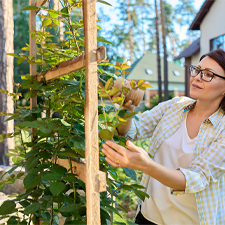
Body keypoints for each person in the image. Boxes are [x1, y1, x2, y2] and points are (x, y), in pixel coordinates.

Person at [101, 48, 225, 225]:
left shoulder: (222, 129)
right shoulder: (175, 106)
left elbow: (196, 179)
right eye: (197, 70)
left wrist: (146, 166)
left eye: (208, 74)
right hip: (148, 217)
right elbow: (132, 129)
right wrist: (126, 108)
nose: (197, 77)